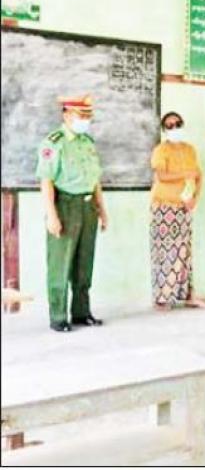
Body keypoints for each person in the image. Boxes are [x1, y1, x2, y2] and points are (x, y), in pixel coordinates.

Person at [36, 95, 108, 332]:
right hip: (65, 205)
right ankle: (58, 316)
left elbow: (95, 180)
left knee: (84, 263)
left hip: (88, 206)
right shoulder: (54, 143)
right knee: (61, 263)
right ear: (66, 115)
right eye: (81, 115)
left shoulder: (87, 142)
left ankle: (81, 312)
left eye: (88, 116)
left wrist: (102, 210)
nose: (85, 120)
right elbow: (46, 181)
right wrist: (52, 215)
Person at [149, 112, 205, 310]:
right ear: (164, 130)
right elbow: (162, 176)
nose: (174, 128)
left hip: (184, 207)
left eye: (178, 124)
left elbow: (197, 175)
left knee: (184, 252)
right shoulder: (161, 150)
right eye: (170, 125)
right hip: (164, 207)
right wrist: (184, 174)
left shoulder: (190, 150)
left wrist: (194, 198)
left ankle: (188, 295)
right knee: (165, 252)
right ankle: (162, 298)